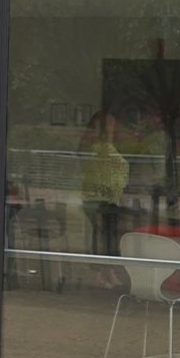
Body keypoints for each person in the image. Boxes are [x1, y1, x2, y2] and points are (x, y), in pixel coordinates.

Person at [80, 109, 129, 289]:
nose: (113, 128)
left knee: (110, 236)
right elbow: (118, 166)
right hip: (97, 198)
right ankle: (97, 273)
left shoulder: (107, 147)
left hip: (110, 198)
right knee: (98, 235)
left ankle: (109, 271)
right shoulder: (99, 148)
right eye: (109, 125)